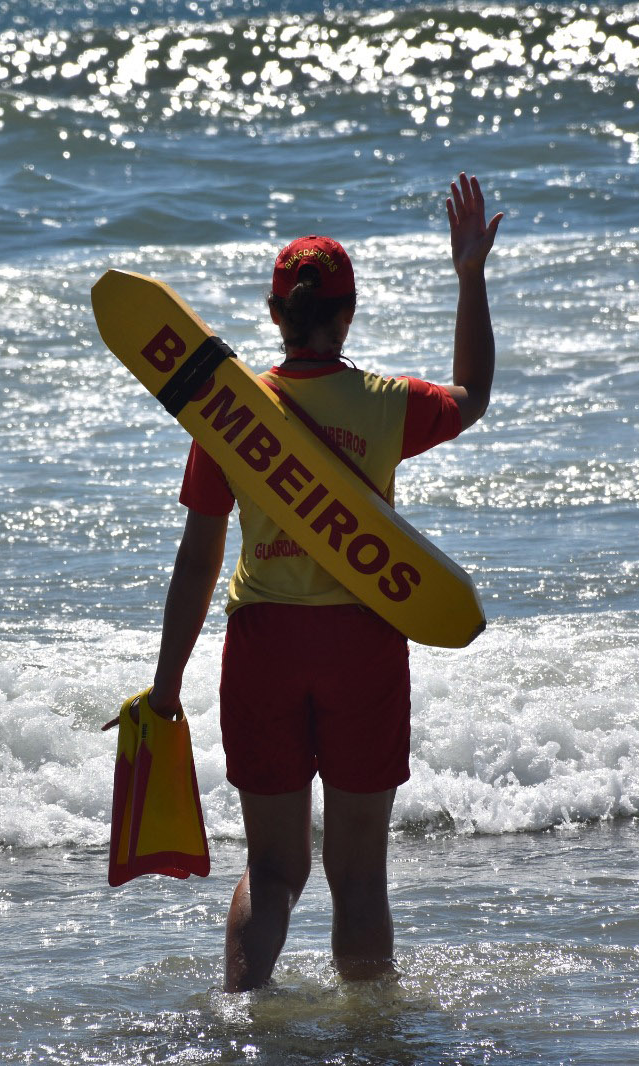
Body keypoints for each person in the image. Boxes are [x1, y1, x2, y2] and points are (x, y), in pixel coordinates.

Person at [146, 173, 501, 993]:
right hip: (362, 642)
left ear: (275, 316)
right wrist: (470, 276)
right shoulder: (387, 404)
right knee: (358, 875)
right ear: (348, 314)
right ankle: (372, 1038)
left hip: (263, 646)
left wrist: (165, 691)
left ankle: (242, 1025)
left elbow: (198, 561)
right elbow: (473, 395)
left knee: (272, 871)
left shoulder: (229, 417)